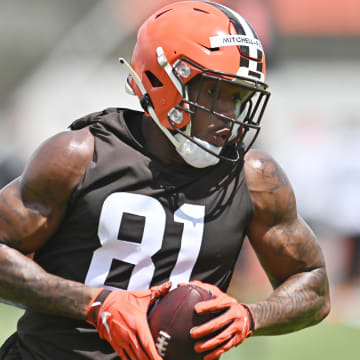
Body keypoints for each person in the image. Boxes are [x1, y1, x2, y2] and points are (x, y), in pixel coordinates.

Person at [0, 1, 330, 359]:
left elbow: (314, 285)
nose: (229, 117)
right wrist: (94, 304)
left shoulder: (254, 178)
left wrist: (250, 316)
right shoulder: (79, 156)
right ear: (164, 80)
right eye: (215, 93)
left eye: (239, 98)